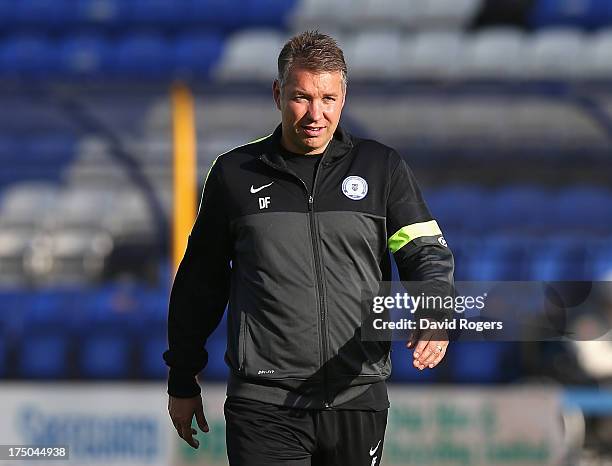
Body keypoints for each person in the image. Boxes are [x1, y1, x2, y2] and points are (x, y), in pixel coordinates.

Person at [163, 30, 454, 466]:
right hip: (264, 404)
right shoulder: (233, 175)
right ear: (278, 93)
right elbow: (199, 284)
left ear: (344, 96)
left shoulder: (381, 167)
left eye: (328, 99)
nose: (315, 114)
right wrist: (183, 377)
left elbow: (424, 252)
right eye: (301, 97)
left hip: (356, 395)